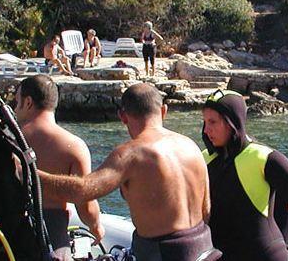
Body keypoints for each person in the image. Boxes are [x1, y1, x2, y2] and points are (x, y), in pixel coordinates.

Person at [38, 83, 220, 261]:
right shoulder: (191, 146)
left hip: (163, 253)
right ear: (164, 111)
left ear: (123, 116)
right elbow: (206, 210)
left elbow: (81, 191)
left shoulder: (131, 154)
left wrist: (28, 172)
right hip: (204, 249)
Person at [201, 89, 288, 260]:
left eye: (212, 122)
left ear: (232, 122)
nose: (206, 130)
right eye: (205, 122)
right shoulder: (203, 160)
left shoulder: (263, 157)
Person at [13, 75, 104, 260]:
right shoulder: (73, 145)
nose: (15, 109)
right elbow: (84, 201)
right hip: (52, 235)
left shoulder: (6, 139)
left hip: (9, 233)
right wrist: (96, 227)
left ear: (28, 102)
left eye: (16, 102)